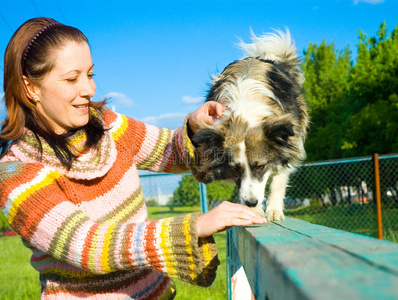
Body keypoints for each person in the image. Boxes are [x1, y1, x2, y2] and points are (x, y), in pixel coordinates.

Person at [0, 17, 266, 299]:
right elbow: (88, 246)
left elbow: (169, 151)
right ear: (30, 88)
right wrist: (193, 227)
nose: (89, 89)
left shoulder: (108, 126)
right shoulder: (16, 174)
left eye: (90, 74)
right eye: (71, 79)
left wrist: (195, 128)